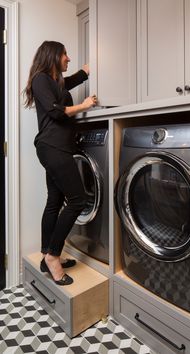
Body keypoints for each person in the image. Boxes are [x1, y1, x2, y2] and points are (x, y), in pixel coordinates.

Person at [23, 40, 97, 286]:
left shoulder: (56, 82)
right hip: (52, 147)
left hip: (58, 148)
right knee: (78, 200)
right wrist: (84, 105)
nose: (68, 57)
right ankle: (54, 255)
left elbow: (73, 79)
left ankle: (46, 256)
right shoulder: (41, 79)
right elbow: (55, 111)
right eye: (65, 54)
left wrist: (88, 70)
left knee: (54, 201)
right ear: (54, 55)